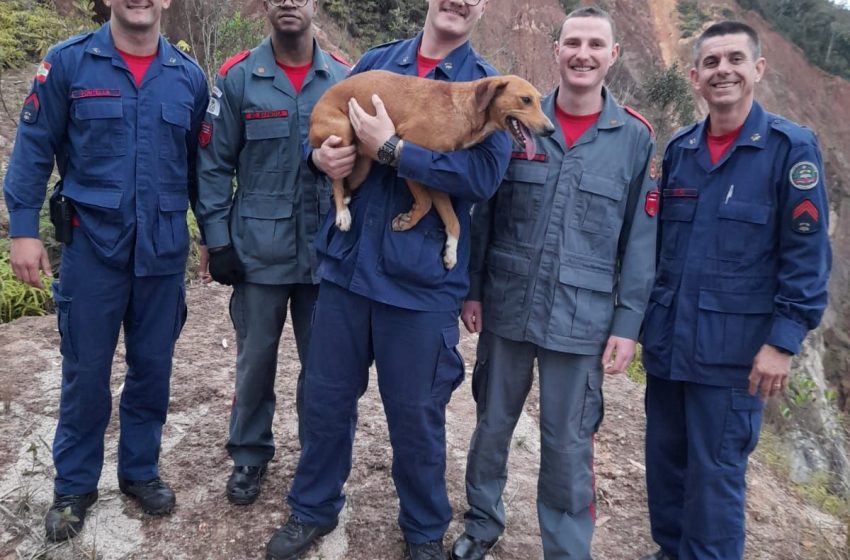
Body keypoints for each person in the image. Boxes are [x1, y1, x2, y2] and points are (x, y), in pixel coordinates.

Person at [263, 0, 512, 558]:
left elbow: (483, 177)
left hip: (420, 285)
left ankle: (424, 531)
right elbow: (328, 133)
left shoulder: (487, 87)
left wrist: (395, 151)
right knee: (325, 402)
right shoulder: (377, 61)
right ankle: (312, 509)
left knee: (417, 415)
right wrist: (320, 158)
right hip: (348, 269)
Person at [450, 6, 658, 560]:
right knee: (492, 425)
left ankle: (566, 549)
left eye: (595, 45)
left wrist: (627, 325)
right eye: (573, 43)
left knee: (568, 443)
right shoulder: (515, 117)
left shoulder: (634, 139)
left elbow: (640, 241)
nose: (582, 54)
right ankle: (481, 522)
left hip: (581, 318)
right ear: (556, 50)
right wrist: (472, 289)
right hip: (508, 304)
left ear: (612, 56)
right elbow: (484, 213)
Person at [2, 0, 207, 542]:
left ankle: (139, 472)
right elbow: (34, 146)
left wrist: (212, 233)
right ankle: (74, 487)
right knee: (85, 374)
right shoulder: (69, 63)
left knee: (152, 370)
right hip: (93, 250)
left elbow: (197, 170)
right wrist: (22, 229)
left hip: (162, 253)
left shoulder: (188, 78)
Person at [639, 21, 831, 560]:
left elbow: (806, 257)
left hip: (734, 356)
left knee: (716, 480)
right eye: (712, 62)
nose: (723, 70)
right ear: (695, 76)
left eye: (735, 59)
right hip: (669, 347)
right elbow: (656, 253)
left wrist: (783, 341)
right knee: (666, 467)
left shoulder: (789, 150)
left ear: (757, 70)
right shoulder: (680, 149)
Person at [195, 0, 349, 506]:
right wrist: (216, 240)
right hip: (258, 253)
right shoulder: (239, 78)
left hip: (327, 253)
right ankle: (249, 454)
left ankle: (318, 460)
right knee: (255, 361)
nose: (289, 2)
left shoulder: (344, 78)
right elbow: (214, 165)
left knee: (324, 368)